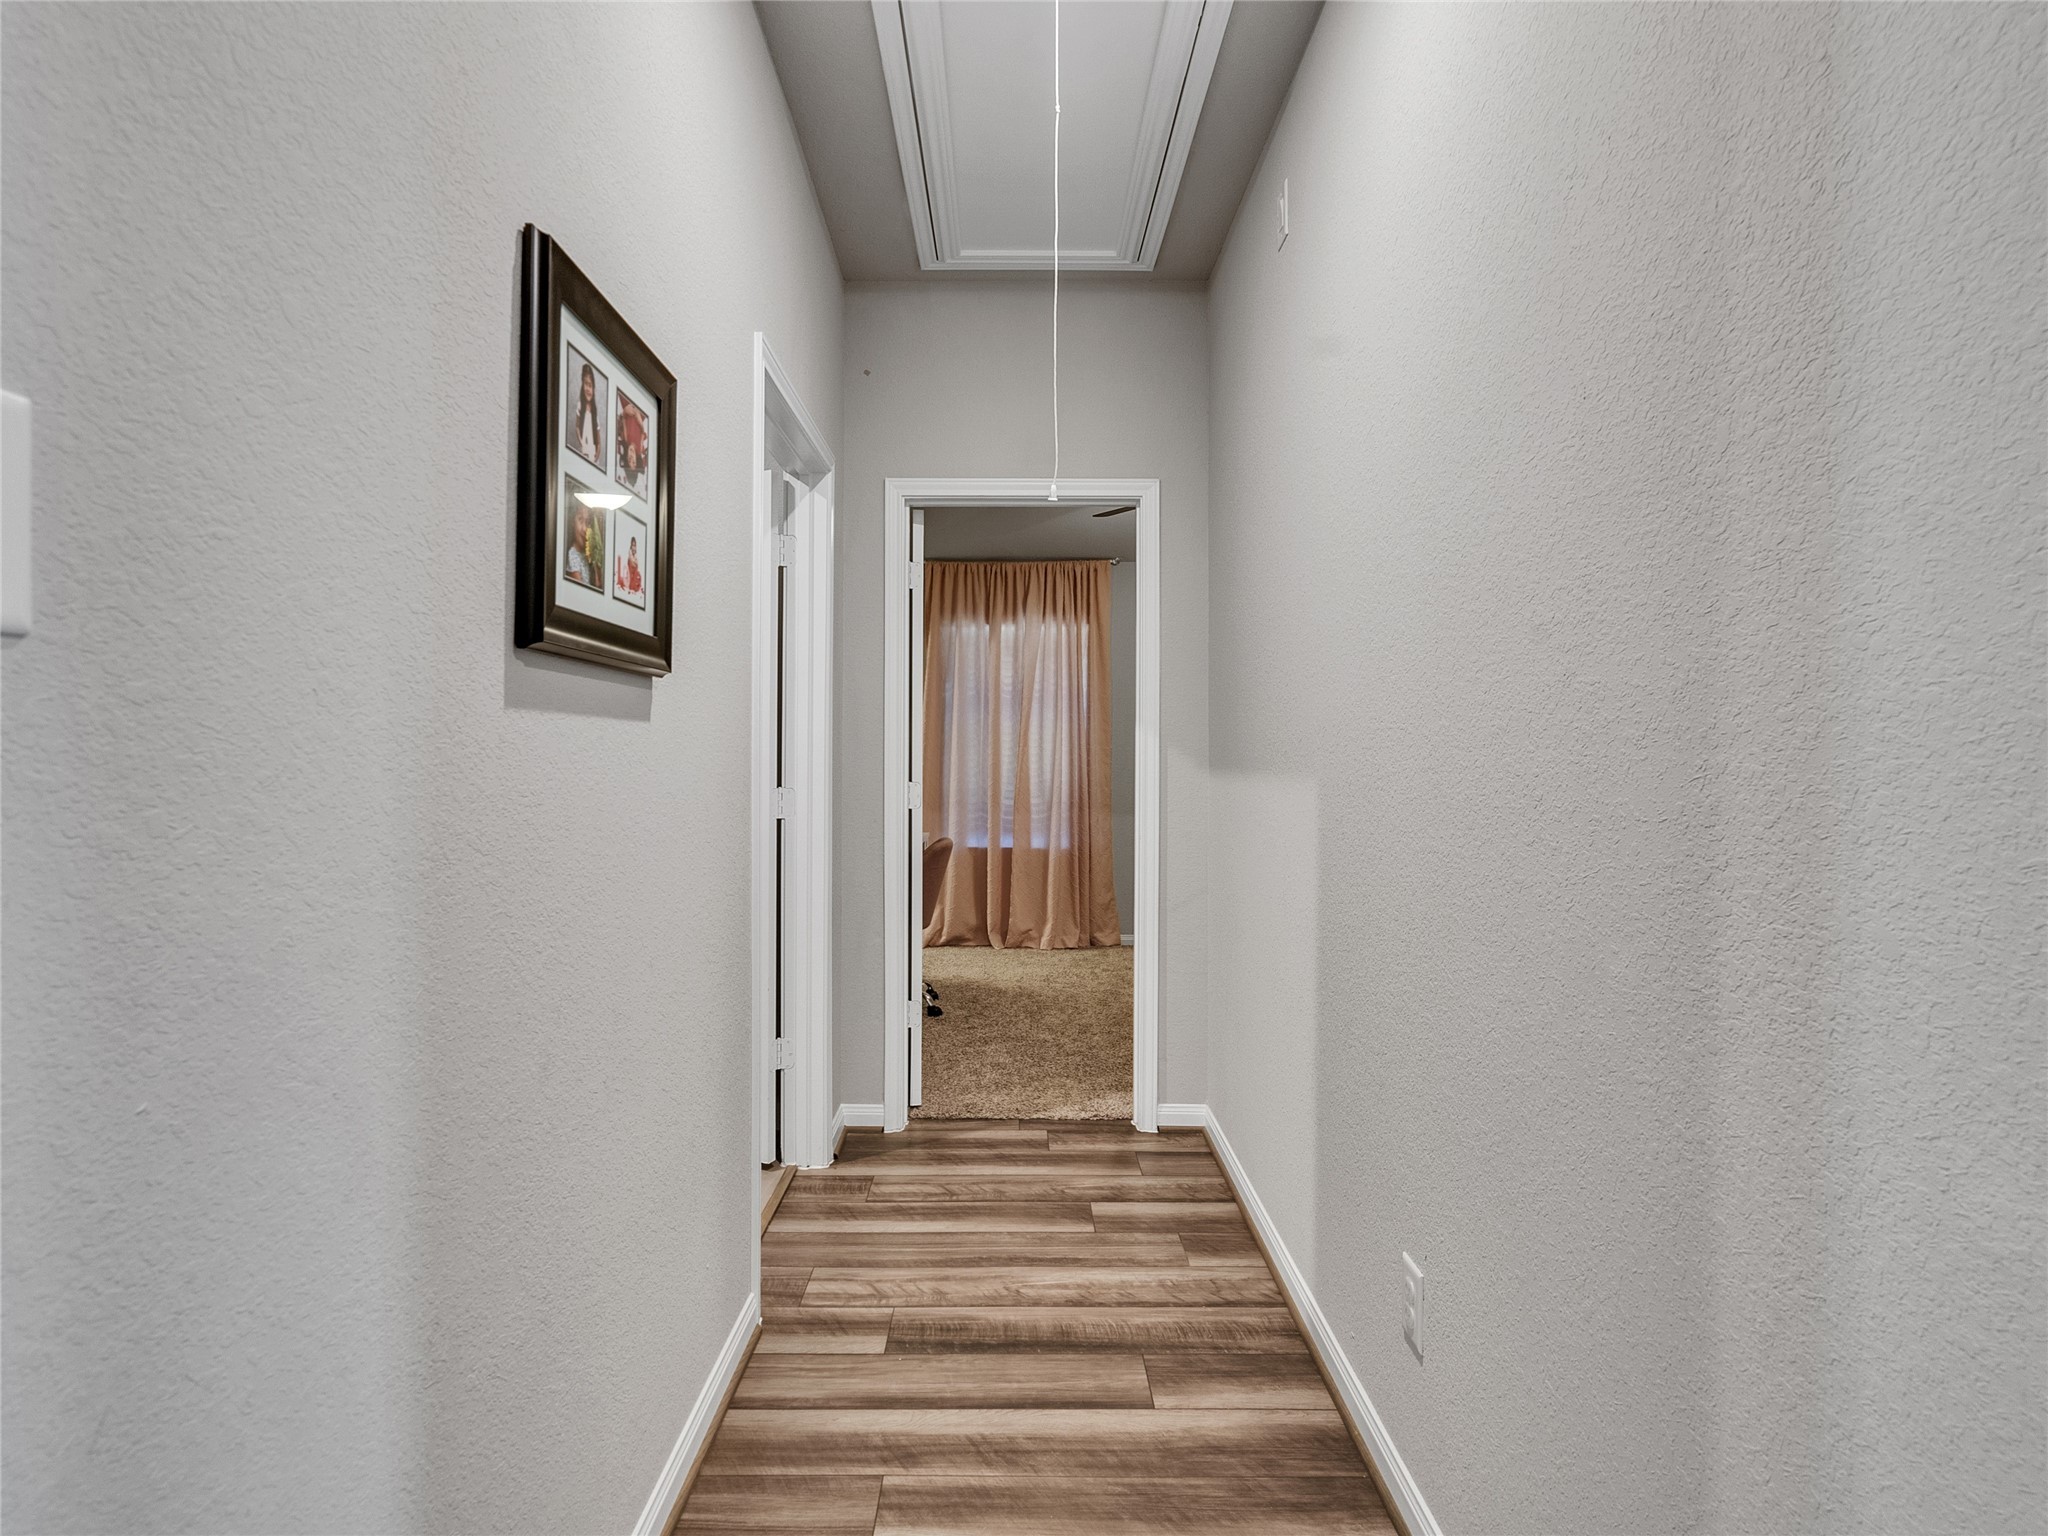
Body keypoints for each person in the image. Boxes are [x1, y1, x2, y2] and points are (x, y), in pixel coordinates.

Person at [571, 361, 602, 466]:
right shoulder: (580, 406)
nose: (588, 389)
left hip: (592, 454)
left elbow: (598, 441)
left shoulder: (594, 413)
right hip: (583, 450)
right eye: (586, 384)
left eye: (590, 385)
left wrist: (596, 457)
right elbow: (577, 427)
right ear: (582, 384)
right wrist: (582, 443)